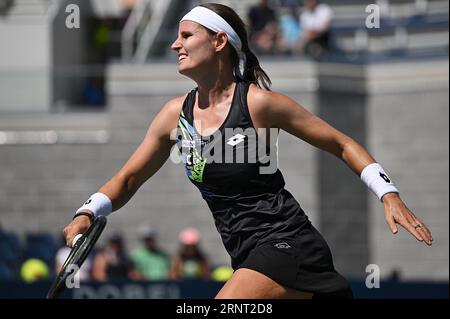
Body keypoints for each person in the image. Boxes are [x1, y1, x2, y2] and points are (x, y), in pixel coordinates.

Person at [63, 3, 433, 298]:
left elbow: (341, 143)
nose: (176, 44)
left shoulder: (259, 104)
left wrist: (387, 193)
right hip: (245, 256)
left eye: (186, 35)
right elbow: (128, 179)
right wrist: (87, 211)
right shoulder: (173, 116)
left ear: (220, 41)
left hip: (287, 244)